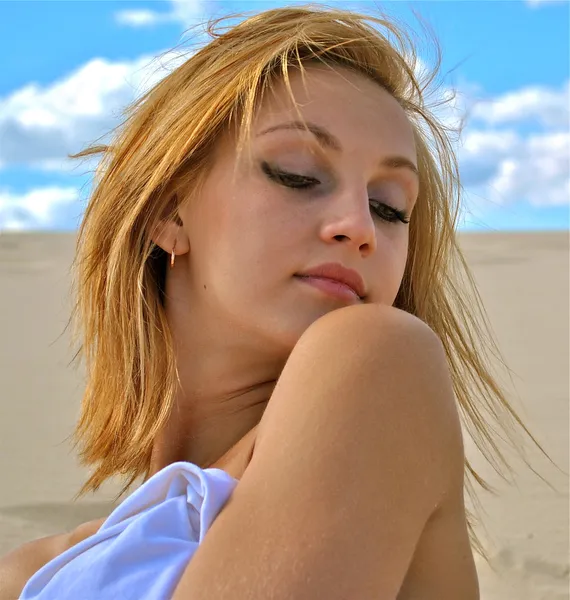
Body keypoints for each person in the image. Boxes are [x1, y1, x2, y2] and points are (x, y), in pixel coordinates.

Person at [0, 4, 549, 599]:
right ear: (166, 210)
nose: (360, 225)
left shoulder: (379, 357)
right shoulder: (29, 573)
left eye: (390, 206)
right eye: (296, 174)